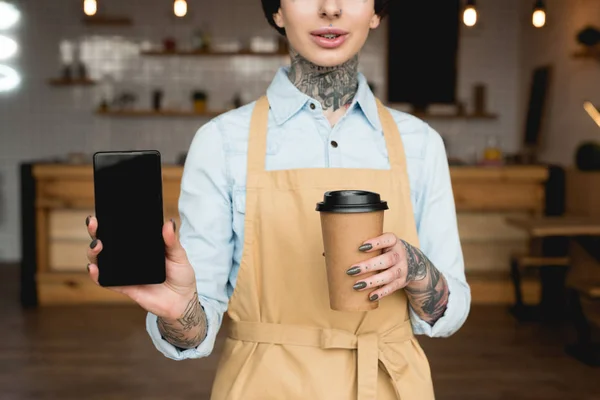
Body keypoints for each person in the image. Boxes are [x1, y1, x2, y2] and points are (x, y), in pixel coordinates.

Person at [85, 0, 471, 398]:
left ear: (376, 11)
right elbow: (196, 327)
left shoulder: (420, 143)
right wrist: (179, 310)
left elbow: (449, 313)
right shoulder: (221, 142)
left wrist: (416, 269)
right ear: (277, 11)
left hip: (392, 385)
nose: (330, 8)